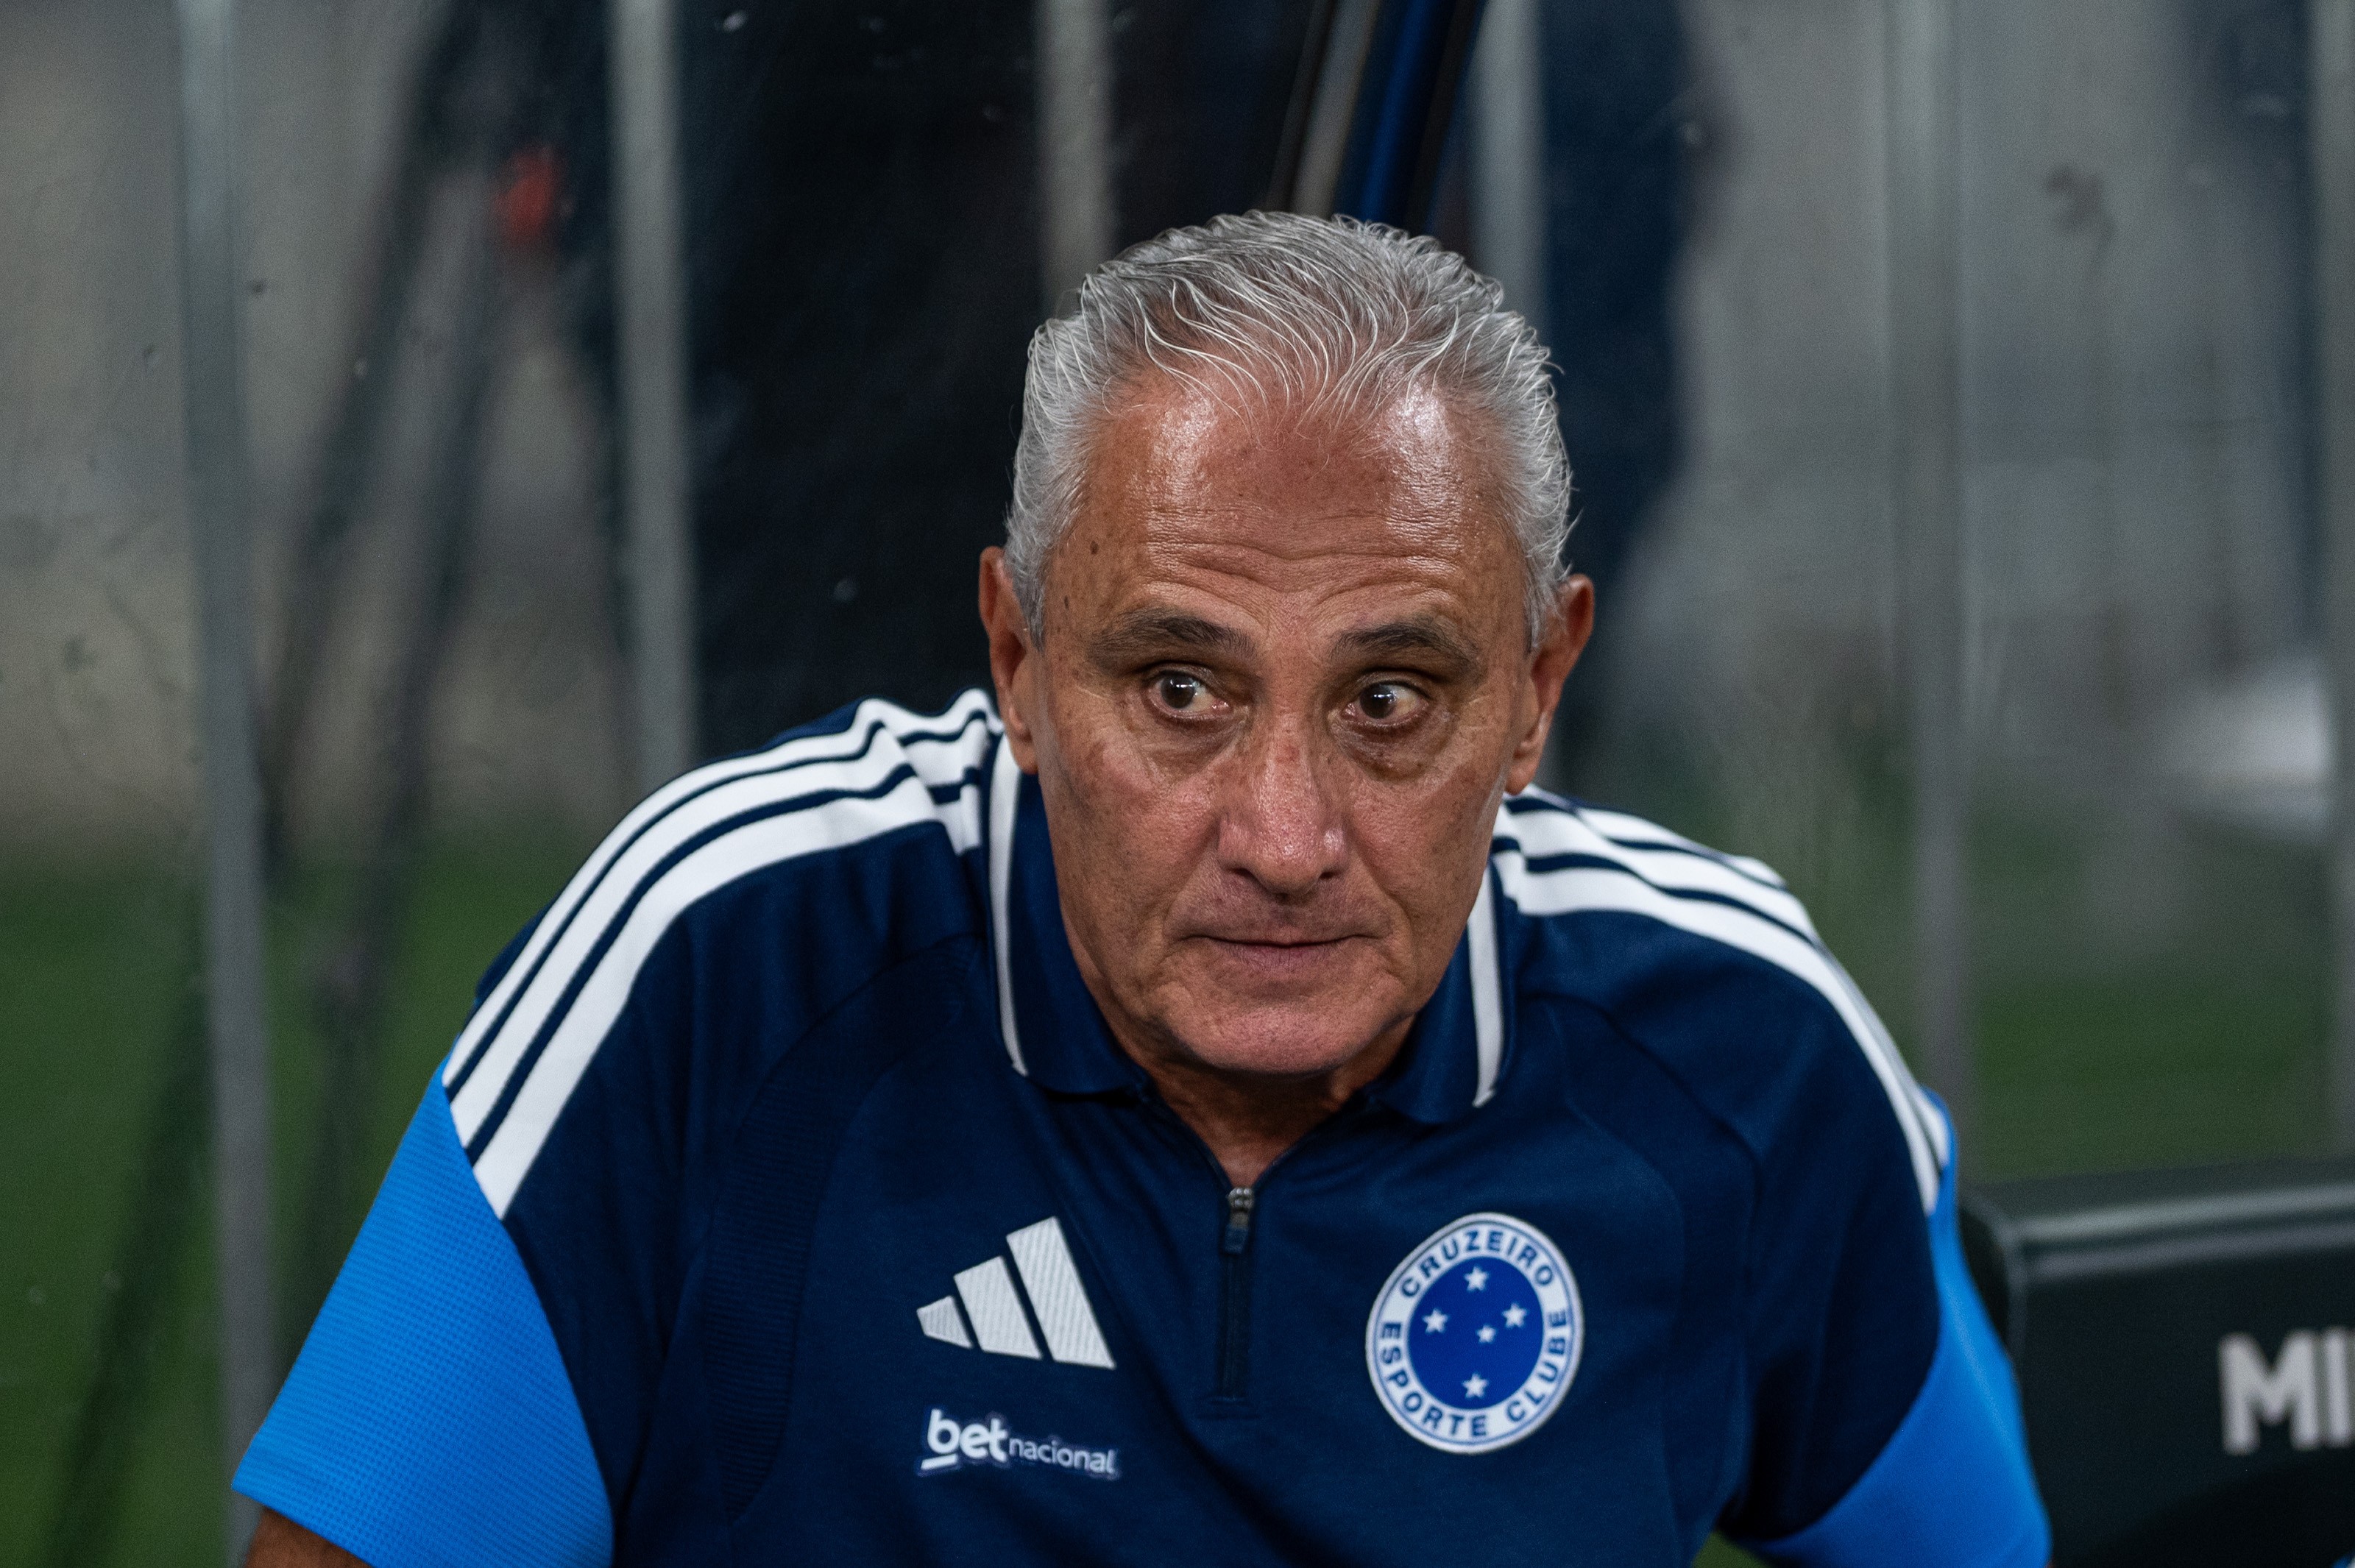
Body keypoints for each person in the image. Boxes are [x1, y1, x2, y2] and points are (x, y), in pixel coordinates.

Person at [236, 213, 2049, 1566]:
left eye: (1389, 700)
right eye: (1180, 688)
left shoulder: (1739, 1046)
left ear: (1536, 687)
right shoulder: (722, 958)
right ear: (1017, 662)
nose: (1283, 834)